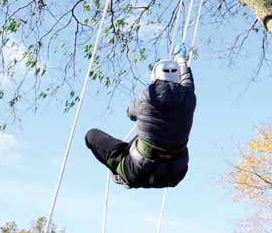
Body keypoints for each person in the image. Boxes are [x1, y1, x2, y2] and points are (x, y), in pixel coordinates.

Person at [84, 47, 196, 188]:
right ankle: (126, 170)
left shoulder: (148, 95)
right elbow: (187, 78)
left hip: (137, 172)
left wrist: (136, 111)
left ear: (155, 77)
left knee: (91, 135)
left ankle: (119, 174)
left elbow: (130, 113)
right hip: (174, 174)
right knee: (143, 141)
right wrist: (181, 59)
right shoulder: (189, 96)